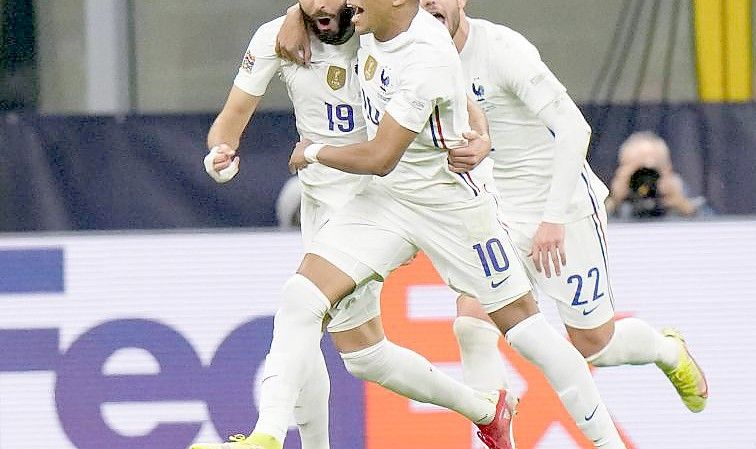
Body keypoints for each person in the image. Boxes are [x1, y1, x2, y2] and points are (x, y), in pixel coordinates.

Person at [196, 0, 627, 448]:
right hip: (378, 201)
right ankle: (266, 437)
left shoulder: (420, 49)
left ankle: (606, 442)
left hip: (446, 204)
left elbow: (383, 155)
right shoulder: (344, 25)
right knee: (304, 302)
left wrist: (314, 151)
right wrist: (293, 17)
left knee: (525, 328)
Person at [416, 0, 708, 426]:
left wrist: (552, 218)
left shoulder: (501, 49)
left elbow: (575, 128)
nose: (428, 3)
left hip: (562, 207)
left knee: (595, 346)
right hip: (496, 209)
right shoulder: (413, 59)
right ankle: (495, 427)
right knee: (472, 320)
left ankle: (667, 350)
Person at [606, 131, 711, 219]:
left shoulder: (683, 199)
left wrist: (682, 205)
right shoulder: (613, 206)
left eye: (652, 172)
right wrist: (614, 203)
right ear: (621, 171)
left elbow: (715, 230)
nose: (646, 181)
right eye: (639, 171)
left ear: (669, 169)